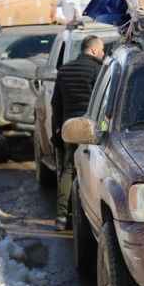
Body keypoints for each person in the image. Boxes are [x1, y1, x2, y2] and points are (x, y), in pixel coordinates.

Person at [50, 35, 105, 230]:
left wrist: (56, 131)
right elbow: (103, 103)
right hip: (90, 128)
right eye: (101, 50)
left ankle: (61, 217)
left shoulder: (64, 71)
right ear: (92, 50)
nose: (103, 54)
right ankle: (85, 217)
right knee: (91, 170)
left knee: (67, 169)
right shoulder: (98, 70)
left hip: (69, 127)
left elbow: (55, 103)